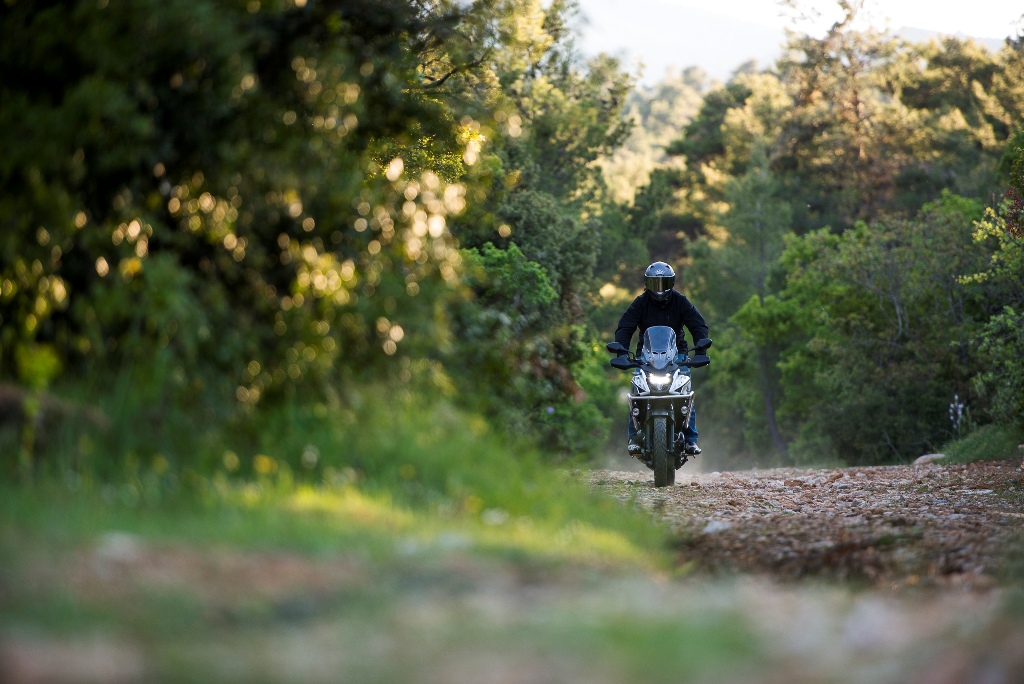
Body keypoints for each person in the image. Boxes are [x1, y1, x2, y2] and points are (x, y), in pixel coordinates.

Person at [614, 261, 709, 457]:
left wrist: (700, 348)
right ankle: (633, 438)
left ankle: (690, 440)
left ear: (671, 283)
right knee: (636, 393)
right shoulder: (640, 303)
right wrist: (622, 352)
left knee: (685, 392)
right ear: (647, 284)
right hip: (646, 358)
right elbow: (625, 327)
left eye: (663, 283)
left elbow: (697, 324)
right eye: (654, 283)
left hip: (677, 356)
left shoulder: (681, 301)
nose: (659, 288)